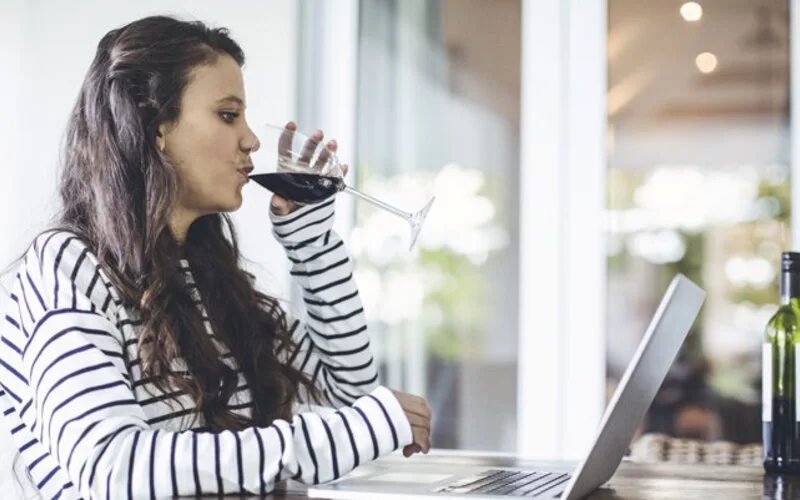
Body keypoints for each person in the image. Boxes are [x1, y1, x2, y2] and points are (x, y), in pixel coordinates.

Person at [0, 15, 432, 499]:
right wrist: (333, 438)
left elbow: (353, 396)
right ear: (156, 125)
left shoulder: (210, 279)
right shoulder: (68, 269)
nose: (251, 140)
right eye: (228, 115)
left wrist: (312, 246)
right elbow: (109, 467)